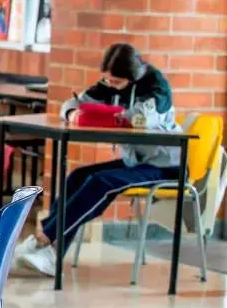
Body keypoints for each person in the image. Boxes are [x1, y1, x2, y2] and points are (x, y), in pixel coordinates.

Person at [17, 43, 182, 276]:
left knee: (101, 182)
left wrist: (97, 114)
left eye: (116, 82)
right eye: (108, 80)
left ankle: (45, 241)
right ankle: (50, 251)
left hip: (165, 165)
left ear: (132, 76)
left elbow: (139, 119)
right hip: (135, 161)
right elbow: (74, 104)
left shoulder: (157, 87)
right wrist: (74, 113)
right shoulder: (111, 83)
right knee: (78, 176)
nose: (110, 85)